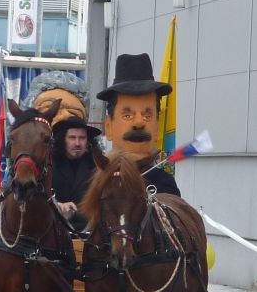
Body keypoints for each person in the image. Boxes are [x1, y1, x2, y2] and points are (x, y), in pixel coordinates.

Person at [96, 52, 180, 196]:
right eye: (127, 115)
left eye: (147, 116)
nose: (139, 123)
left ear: (156, 128)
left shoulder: (165, 185)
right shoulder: (97, 182)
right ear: (109, 127)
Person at [51, 116, 101, 231]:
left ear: (88, 141)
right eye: (72, 138)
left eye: (82, 138)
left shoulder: (97, 166)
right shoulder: (49, 164)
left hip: (89, 231)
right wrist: (58, 207)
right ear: (63, 139)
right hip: (55, 230)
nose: (77, 143)